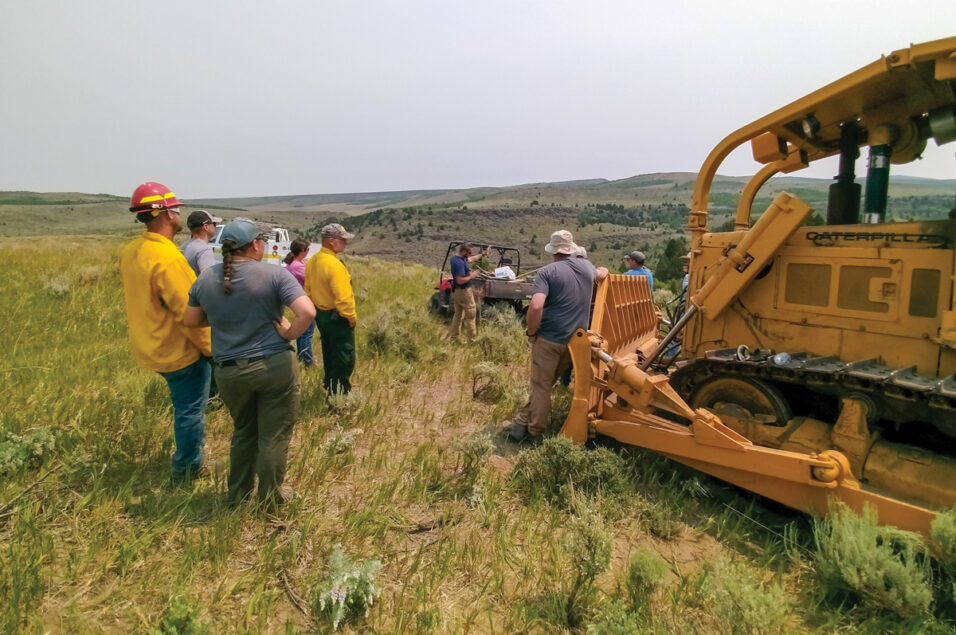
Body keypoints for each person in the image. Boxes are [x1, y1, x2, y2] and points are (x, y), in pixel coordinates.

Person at [185, 219, 315, 506]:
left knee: (244, 431)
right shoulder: (274, 274)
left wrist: (222, 319)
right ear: (255, 244)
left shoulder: (205, 279)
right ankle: (271, 497)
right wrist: (289, 333)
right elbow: (307, 312)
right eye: (262, 241)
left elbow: (191, 320)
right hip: (273, 366)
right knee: (274, 434)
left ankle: (238, 495)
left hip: (229, 371)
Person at [119, 182, 213, 483]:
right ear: (163, 213)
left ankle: (188, 460)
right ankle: (187, 469)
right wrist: (213, 349)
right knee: (189, 411)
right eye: (175, 209)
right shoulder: (169, 259)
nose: (179, 213)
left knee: (183, 406)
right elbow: (190, 316)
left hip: (149, 344)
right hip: (177, 351)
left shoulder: (133, 250)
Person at [505, 230, 595, 442]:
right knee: (546, 383)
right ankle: (520, 424)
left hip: (549, 339)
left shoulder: (547, 272)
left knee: (541, 386)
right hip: (575, 341)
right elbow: (601, 272)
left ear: (554, 251)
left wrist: (531, 333)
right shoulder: (588, 268)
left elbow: (535, 307)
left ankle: (535, 432)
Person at [305, 223, 357, 394]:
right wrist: (350, 318)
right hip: (338, 318)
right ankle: (340, 395)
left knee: (329, 352)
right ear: (332, 241)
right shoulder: (334, 264)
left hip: (321, 315)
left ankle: (329, 384)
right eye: (343, 240)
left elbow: (308, 290)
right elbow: (343, 298)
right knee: (343, 357)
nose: (345, 243)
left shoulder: (313, 261)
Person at [448, 242, 491, 341]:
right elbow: (460, 280)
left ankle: (454, 337)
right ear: (463, 251)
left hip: (456, 291)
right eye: (469, 252)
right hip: (463, 291)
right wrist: (472, 276)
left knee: (458, 315)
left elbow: (472, 259)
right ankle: (472, 340)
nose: (470, 255)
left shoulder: (457, 258)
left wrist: (483, 254)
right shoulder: (459, 263)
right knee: (471, 315)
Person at [283, 238, 316, 366]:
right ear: (303, 251)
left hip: (299, 301)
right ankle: (306, 360)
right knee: (306, 332)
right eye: (307, 249)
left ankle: (304, 357)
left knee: (305, 332)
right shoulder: (298, 267)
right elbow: (312, 280)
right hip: (305, 301)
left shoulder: (294, 264)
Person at [180, 210, 217, 276]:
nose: (215, 227)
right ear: (206, 227)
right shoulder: (204, 250)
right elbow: (207, 279)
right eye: (214, 224)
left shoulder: (183, 246)